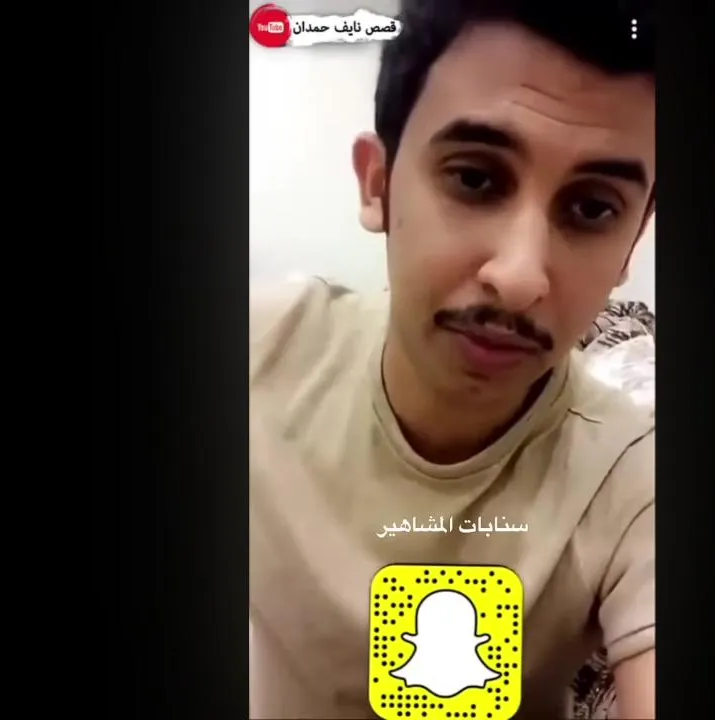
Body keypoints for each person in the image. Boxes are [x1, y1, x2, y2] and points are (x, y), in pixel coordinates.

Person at [249, 1, 656, 717]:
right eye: (475, 179)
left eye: (592, 209)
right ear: (377, 183)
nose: (520, 276)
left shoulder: (632, 477)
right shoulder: (262, 349)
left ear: (632, 244)